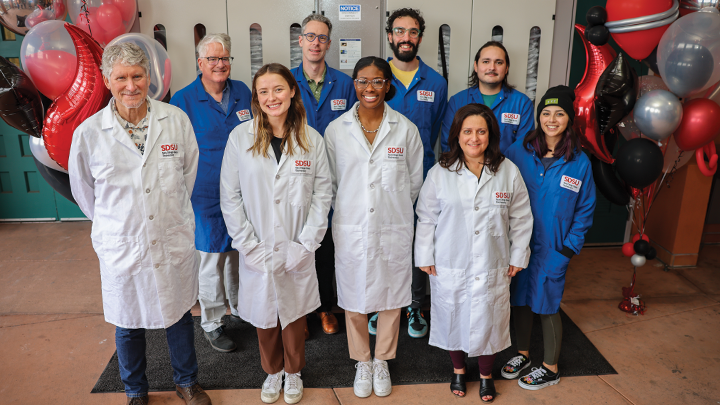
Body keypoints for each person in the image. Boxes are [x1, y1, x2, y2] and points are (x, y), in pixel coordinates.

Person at [68, 43, 210, 405]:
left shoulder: (173, 120)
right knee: (127, 320)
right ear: (106, 80)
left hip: (169, 234)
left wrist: (167, 212)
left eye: (137, 76)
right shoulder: (89, 133)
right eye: (121, 78)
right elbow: (85, 193)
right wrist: (117, 225)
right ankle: (135, 390)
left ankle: (187, 382)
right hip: (122, 240)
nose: (130, 85)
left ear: (150, 78)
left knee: (178, 313)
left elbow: (188, 174)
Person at [219, 63, 332, 404]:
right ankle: (272, 372)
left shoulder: (311, 139)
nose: (272, 97)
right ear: (256, 97)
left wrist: (306, 243)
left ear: (292, 91)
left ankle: (294, 371)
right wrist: (247, 244)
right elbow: (230, 194)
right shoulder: (241, 137)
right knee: (266, 314)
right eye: (263, 91)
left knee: (294, 313)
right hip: (257, 243)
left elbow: (323, 193)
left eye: (278, 89)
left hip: (297, 244)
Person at [415, 104, 533, 402]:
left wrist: (519, 255)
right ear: (457, 135)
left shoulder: (507, 171)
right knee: (452, 315)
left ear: (490, 135)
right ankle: (457, 369)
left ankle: (485, 375)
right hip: (449, 261)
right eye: (467, 131)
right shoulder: (441, 172)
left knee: (489, 319)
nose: (474, 138)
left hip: (493, 262)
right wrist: (424, 255)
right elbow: (426, 217)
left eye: (481, 131)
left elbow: (521, 217)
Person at [324, 56, 424, 398]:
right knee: (352, 294)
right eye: (363, 81)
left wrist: (388, 209)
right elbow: (331, 184)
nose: (370, 88)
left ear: (388, 85)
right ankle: (362, 360)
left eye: (378, 81)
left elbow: (414, 183)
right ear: (354, 84)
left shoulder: (405, 129)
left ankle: (382, 359)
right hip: (351, 224)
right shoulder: (337, 130)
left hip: (392, 225)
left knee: (392, 295)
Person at [503, 85, 596, 390]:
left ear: (569, 119)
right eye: (546, 112)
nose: (551, 119)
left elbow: (585, 209)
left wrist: (569, 249)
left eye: (559, 113)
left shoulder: (579, 161)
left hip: (554, 247)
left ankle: (550, 367)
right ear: (538, 116)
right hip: (519, 243)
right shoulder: (518, 150)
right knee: (520, 299)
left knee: (547, 303)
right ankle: (523, 354)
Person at [170, 33, 252, 353]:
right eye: (213, 59)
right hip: (203, 192)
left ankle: (241, 308)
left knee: (237, 253)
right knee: (210, 258)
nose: (220, 65)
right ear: (200, 63)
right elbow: (175, 150)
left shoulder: (243, 92)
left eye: (225, 58)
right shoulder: (184, 99)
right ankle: (213, 321)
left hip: (242, 189)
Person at [372, 6, 447, 339]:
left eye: (412, 32)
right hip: (379, 176)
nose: (406, 38)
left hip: (423, 174)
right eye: (399, 31)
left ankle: (415, 305)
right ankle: (381, 302)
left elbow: (434, 131)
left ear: (419, 37)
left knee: (419, 239)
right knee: (382, 239)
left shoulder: (436, 82)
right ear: (390, 36)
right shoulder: (375, 76)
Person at [291, 13, 357, 335]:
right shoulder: (287, 83)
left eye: (322, 38)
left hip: (335, 179)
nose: (316, 42)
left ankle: (326, 309)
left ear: (329, 44)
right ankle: (300, 311)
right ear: (300, 40)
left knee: (328, 247)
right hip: (295, 178)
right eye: (310, 36)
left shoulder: (345, 84)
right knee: (299, 246)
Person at [441, 41, 535, 155]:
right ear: (476, 66)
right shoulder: (457, 101)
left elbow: (523, 149)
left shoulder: (522, 103)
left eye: (498, 62)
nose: (492, 67)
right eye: (486, 61)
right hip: (463, 171)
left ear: (506, 69)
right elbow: (448, 143)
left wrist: (502, 170)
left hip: (505, 171)